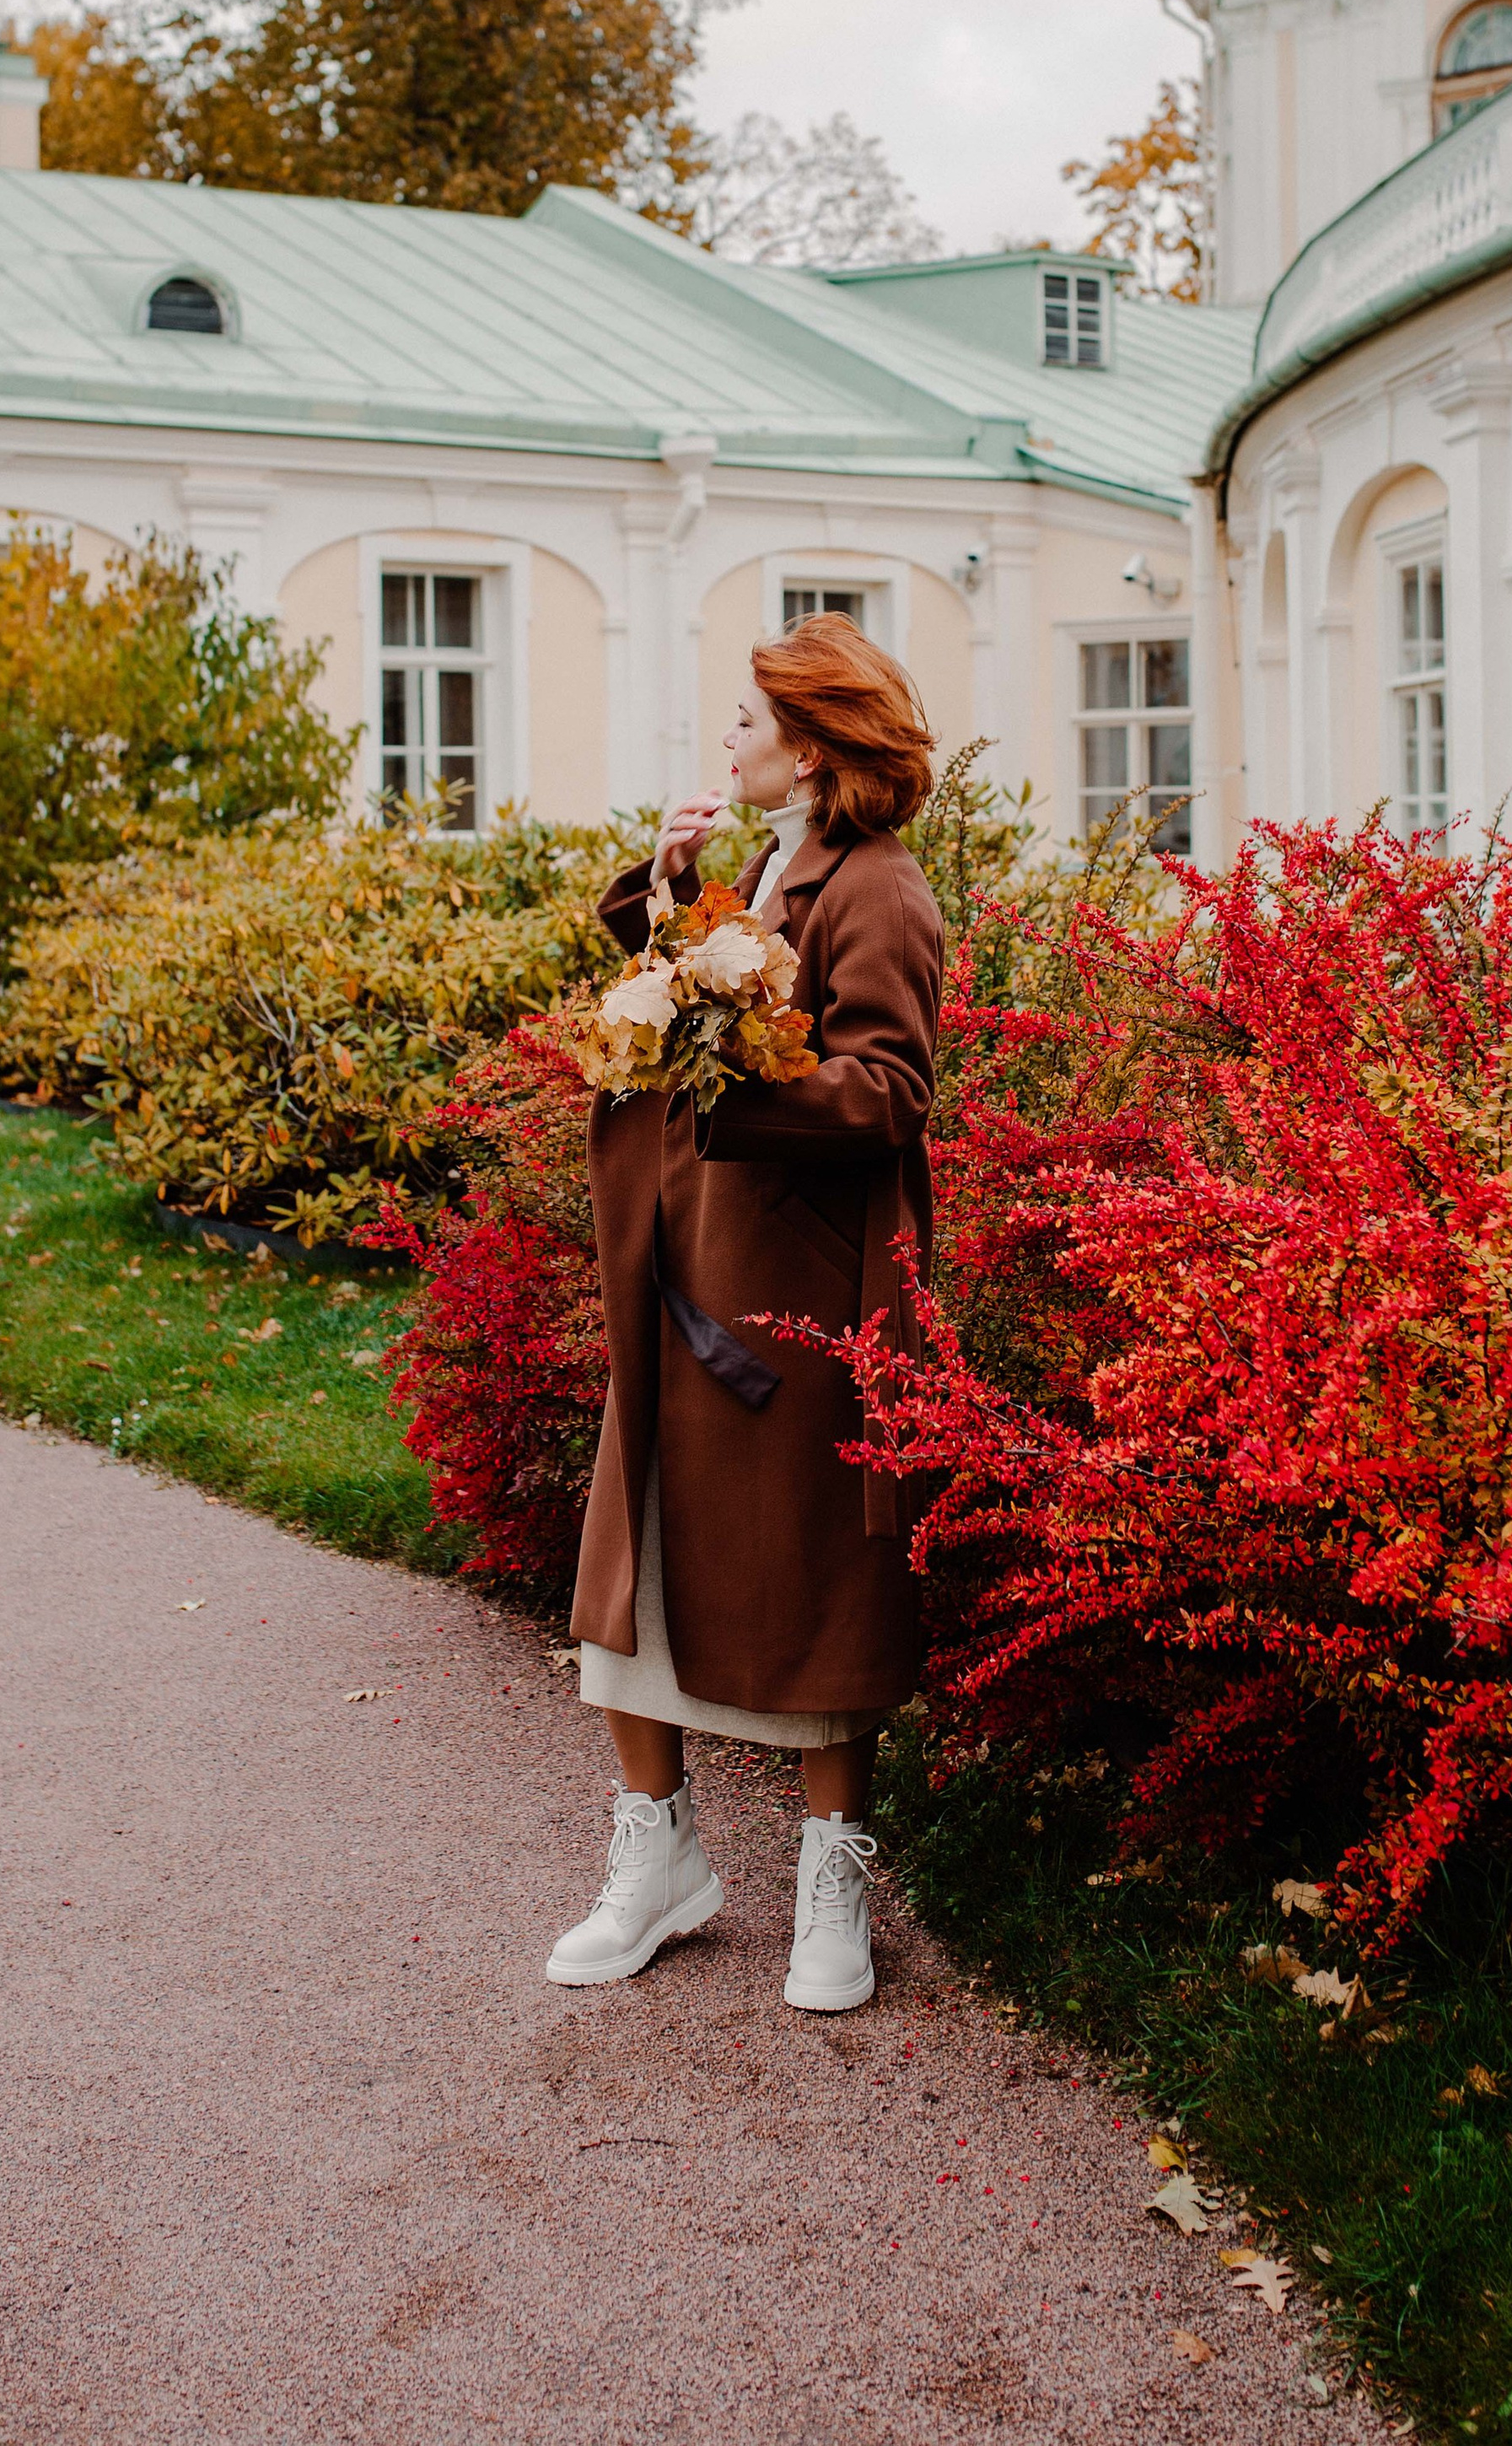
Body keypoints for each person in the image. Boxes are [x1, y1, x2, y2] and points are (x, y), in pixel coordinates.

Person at [548, 614, 944, 2012]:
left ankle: (834, 1877)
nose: (728, 736)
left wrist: (740, 1081)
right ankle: (658, 1860)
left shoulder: (878, 886)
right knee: (637, 1545)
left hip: (793, 1291)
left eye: (747, 718)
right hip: (681, 1261)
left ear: (814, 744)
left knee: (819, 1572)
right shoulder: (775, 862)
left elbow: (889, 1088)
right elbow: (701, 995)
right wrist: (669, 891)